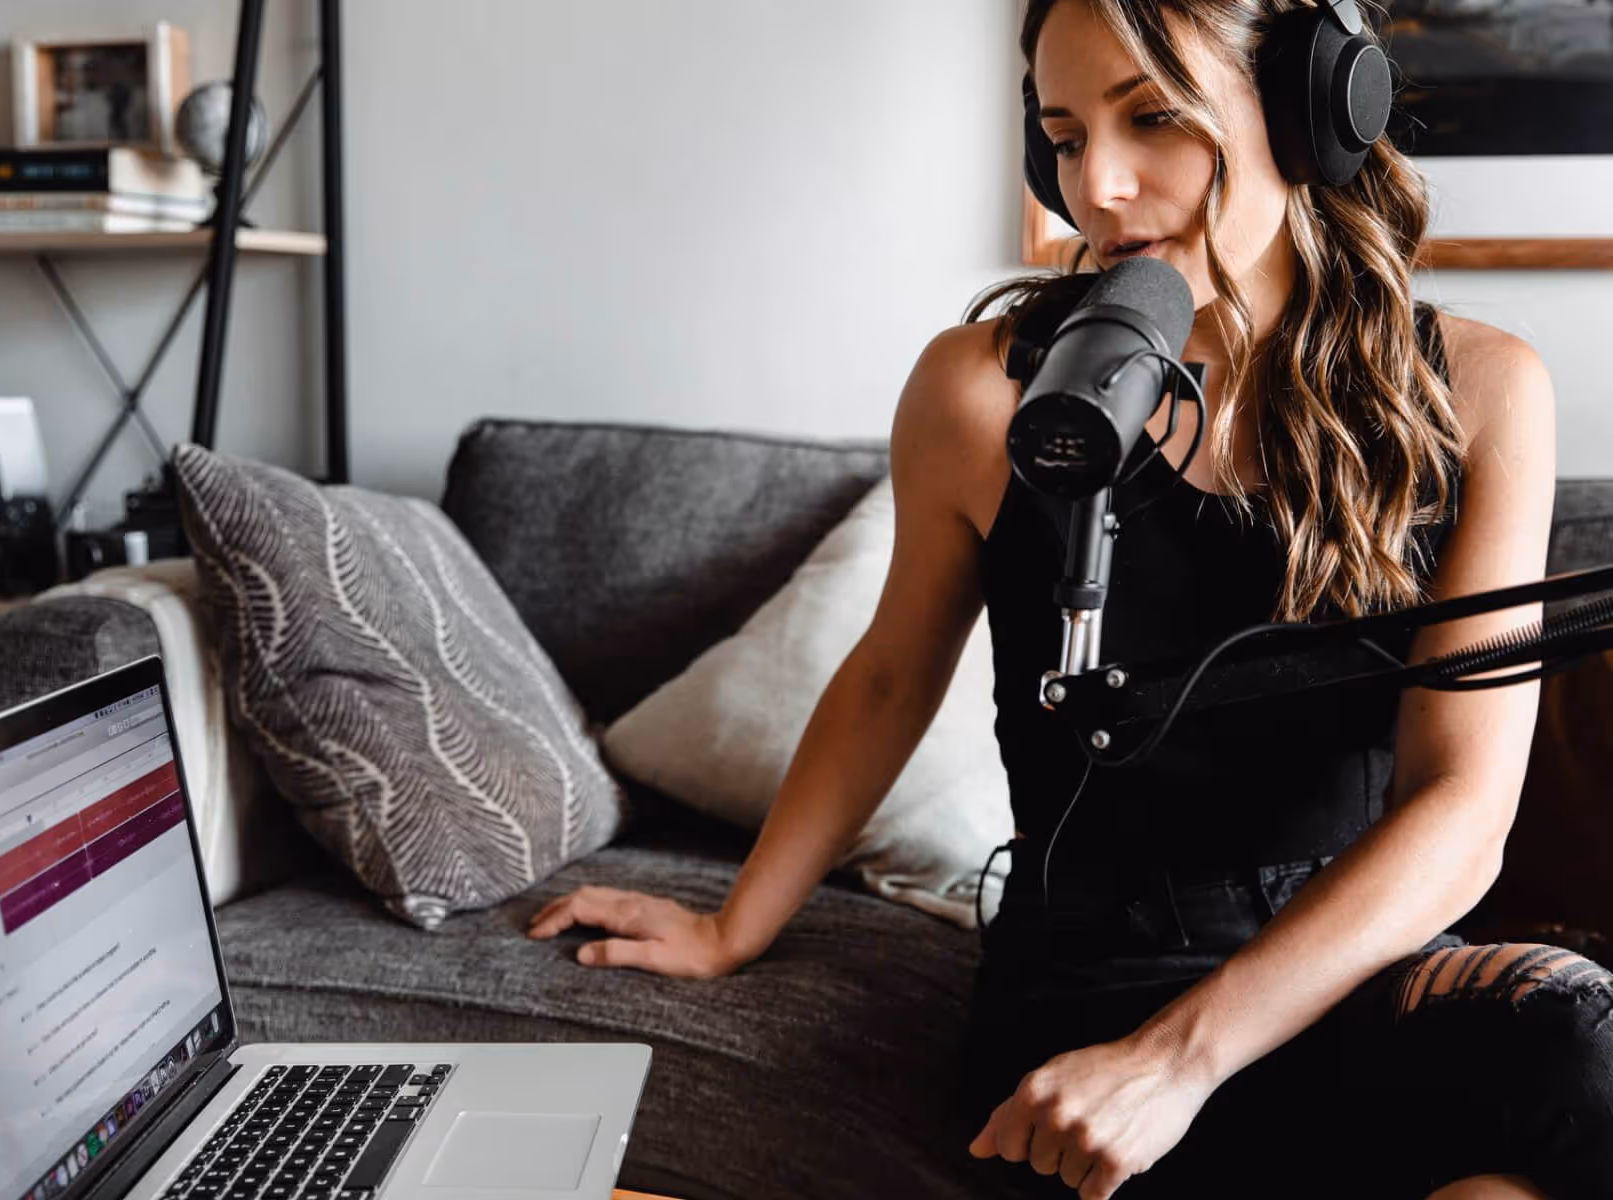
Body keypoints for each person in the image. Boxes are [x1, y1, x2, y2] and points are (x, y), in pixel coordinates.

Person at [527, 1, 1613, 1196]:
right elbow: (892, 673)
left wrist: (1180, 1067)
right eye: (1063, 133)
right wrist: (736, 925)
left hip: (1353, 960)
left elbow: (1462, 808)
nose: (1095, 187)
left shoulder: (1482, 391)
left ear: (1310, 113)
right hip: (1091, 978)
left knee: (1583, 1053)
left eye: (1154, 118)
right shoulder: (982, 394)